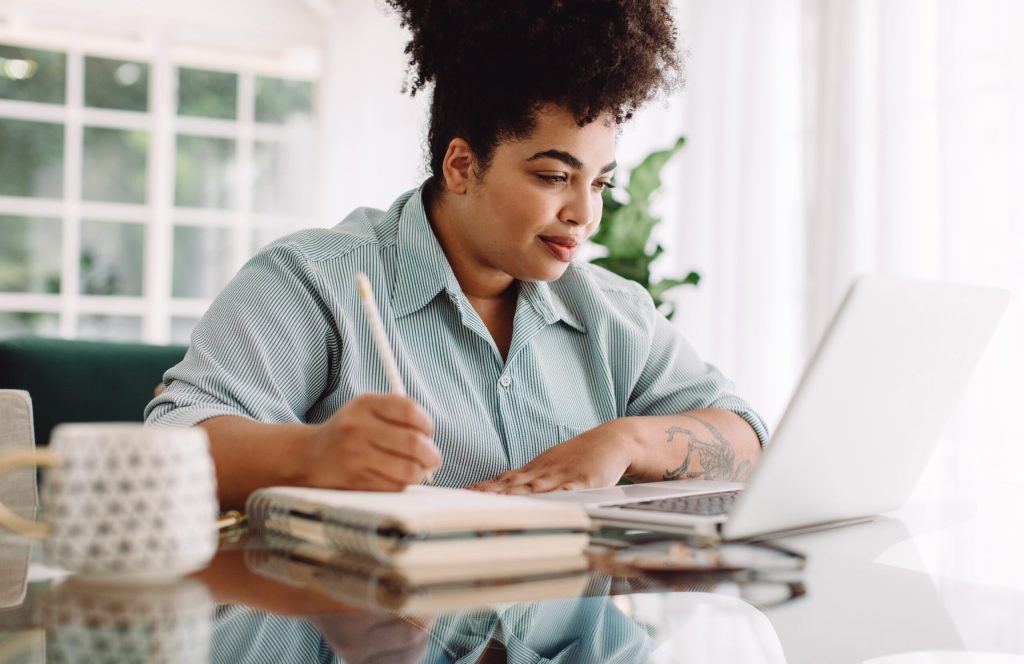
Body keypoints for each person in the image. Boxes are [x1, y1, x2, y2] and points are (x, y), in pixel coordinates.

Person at [145, 0, 768, 510]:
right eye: (554, 176)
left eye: (600, 182)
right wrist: (313, 454)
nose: (585, 213)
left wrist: (625, 440)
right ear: (463, 165)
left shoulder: (613, 313)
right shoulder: (314, 280)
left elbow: (748, 440)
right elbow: (168, 448)